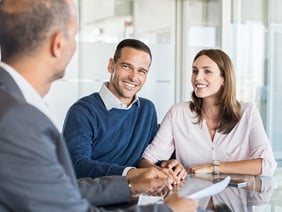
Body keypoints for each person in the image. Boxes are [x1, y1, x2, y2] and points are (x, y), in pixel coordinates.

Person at [0, 0, 197, 211]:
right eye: (75, 35)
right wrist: (166, 209)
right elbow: (68, 203)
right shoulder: (18, 119)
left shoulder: (15, 106)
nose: (133, 76)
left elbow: (58, 191)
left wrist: (132, 182)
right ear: (58, 43)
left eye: (142, 71)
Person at [62, 38, 187, 181]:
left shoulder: (147, 109)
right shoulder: (83, 111)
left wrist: (165, 165)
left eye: (141, 71)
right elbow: (76, 165)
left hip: (138, 194)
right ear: (111, 65)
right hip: (95, 198)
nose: (133, 77)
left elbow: (147, 156)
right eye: (126, 66)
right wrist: (131, 173)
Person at [139, 49, 277, 177]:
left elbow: (268, 165)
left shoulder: (247, 113)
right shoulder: (178, 114)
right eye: (195, 71)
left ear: (224, 79)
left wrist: (214, 167)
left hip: (236, 199)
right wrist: (164, 173)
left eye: (207, 71)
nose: (197, 77)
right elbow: (146, 160)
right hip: (191, 200)